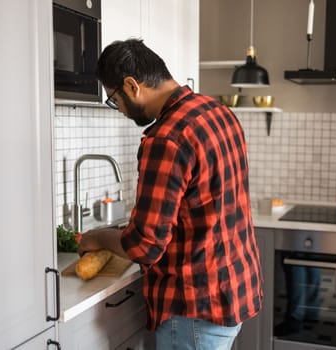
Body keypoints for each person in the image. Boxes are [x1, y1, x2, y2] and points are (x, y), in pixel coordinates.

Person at [78, 38, 263, 349]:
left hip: (193, 307)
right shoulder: (218, 111)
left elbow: (144, 246)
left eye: (115, 100)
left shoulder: (166, 138)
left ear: (132, 86)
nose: (120, 109)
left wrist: (98, 237)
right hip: (232, 291)